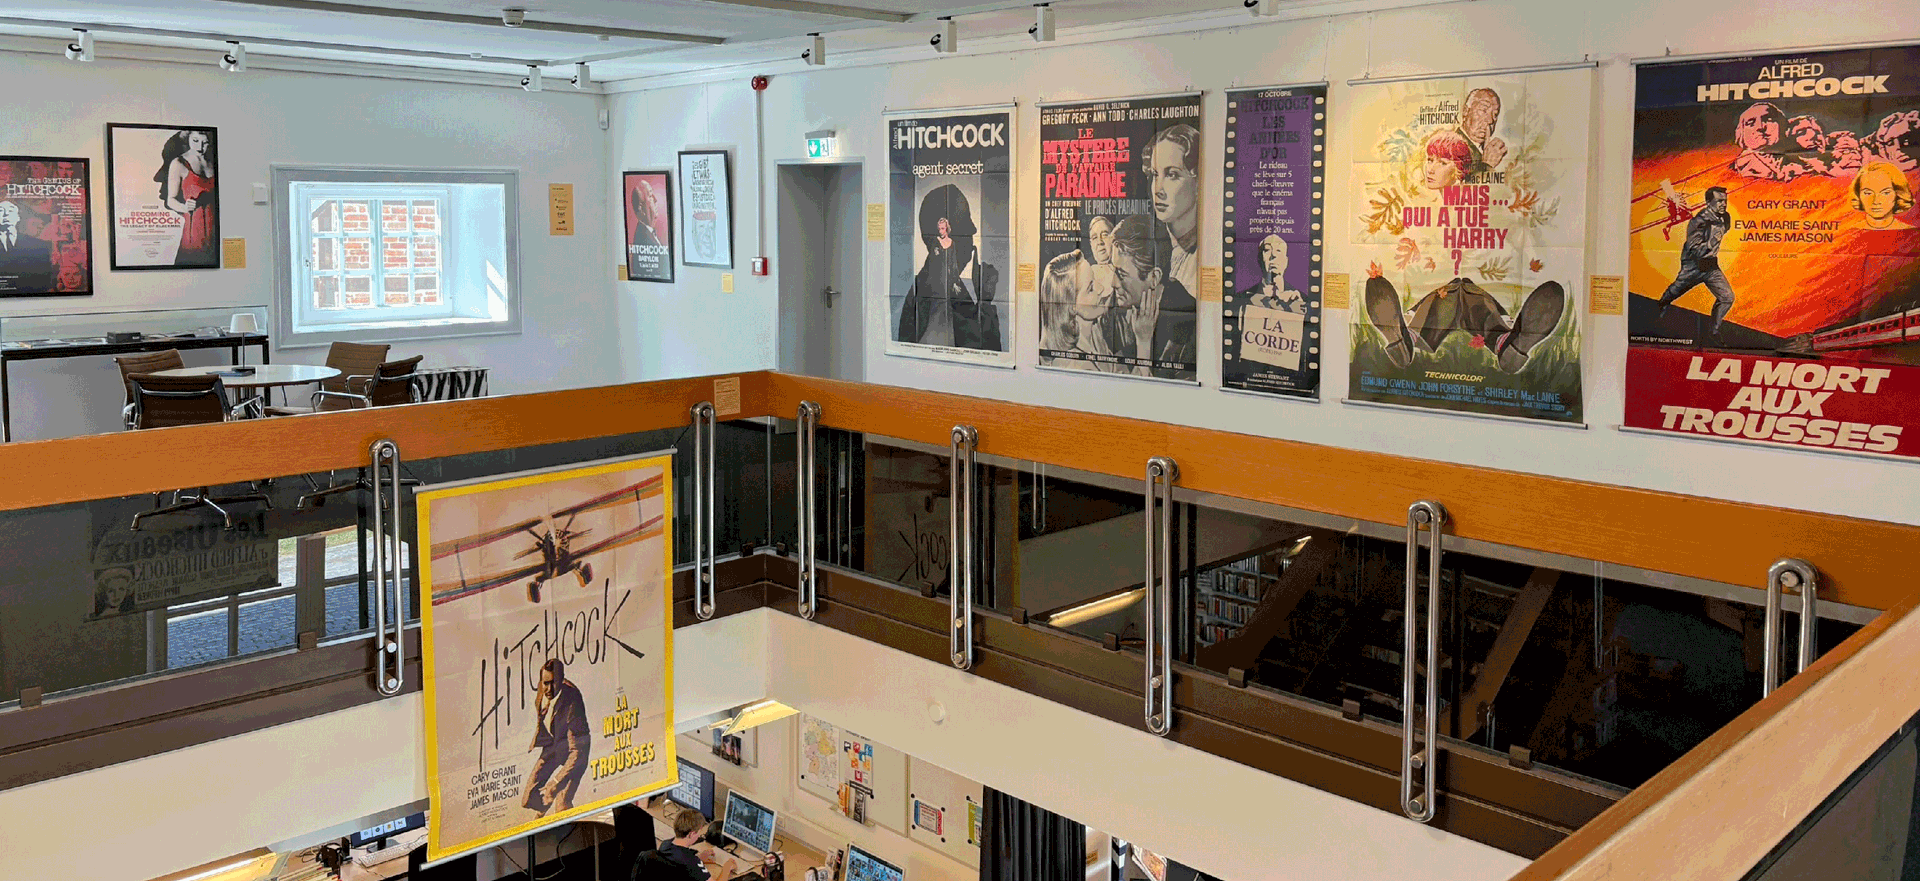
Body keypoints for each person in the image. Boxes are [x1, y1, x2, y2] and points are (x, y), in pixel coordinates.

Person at [1362, 271, 1565, 373]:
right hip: (1475, 297)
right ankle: (1506, 343)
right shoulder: (1480, 294)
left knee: (1430, 314)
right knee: (1488, 318)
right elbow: (1498, 313)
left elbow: (1420, 309)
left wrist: (1412, 317)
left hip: (1443, 296)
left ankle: (1407, 338)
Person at [895, 184, 1002, 352]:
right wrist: (985, 303)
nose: (973, 229)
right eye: (966, 223)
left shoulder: (938, 284)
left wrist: (984, 300)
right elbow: (983, 353)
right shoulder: (940, 290)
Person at [1108, 215, 1195, 380]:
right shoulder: (1117, 310)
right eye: (1114, 271)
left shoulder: (1187, 325)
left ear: (1154, 278)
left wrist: (1143, 342)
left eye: (1122, 274)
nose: (1113, 283)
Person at [1654, 185, 1737, 338]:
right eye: (1719, 201)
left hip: (1711, 266)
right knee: (1675, 290)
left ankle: (1714, 331)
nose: (1723, 204)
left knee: (1727, 297)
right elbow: (1695, 250)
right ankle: (1660, 306)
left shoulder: (1725, 217)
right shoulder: (1698, 222)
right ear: (1708, 203)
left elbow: (1725, 228)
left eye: (1725, 201)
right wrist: (1711, 242)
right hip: (1693, 266)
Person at [523, 658, 590, 817]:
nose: (548, 689)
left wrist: (556, 783)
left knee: (562, 804)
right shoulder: (543, 689)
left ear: (562, 679)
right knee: (528, 799)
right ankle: (544, 808)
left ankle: (562, 823)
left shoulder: (573, 699)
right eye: (545, 683)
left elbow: (577, 750)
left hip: (576, 752)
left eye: (553, 683)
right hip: (555, 745)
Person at [1142, 125, 1200, 295]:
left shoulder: (1204, 254)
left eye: (1171, 175)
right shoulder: (1151, 247)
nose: (1157, 190)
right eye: (1155, 174)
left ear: (1198, 182)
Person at [157, 130, 217, 266]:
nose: (200, 147)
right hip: (194, 232)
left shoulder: (214, 161)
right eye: (195, 141)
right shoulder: (178, 163)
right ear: (187, 138)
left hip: (215, 232)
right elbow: (170, 200)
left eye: (205, 143)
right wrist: (184, 207)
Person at [633, 809, 716, 881]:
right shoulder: (692, 863)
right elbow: (688, 864)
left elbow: (679, 861)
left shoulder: (665, 845)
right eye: (699, 833)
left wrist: (699, 859)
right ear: (691, 834)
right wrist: (725, 867)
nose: (699, 836)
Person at [1235, 235, 1305, 313]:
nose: (1273, 255)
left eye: (1278, 250)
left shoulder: (1303, 299)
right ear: (1259, 259)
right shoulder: (1240, 299)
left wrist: (1300, 310)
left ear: (1286, 262)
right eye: (1267, 250)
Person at [0, 200, 54, 293]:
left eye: (11, 211)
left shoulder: (40, 246)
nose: (6, 214)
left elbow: (44, 281)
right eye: (1, 211)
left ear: (18, 217)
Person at [1456, 88, 1508, 177]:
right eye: (1484, 110)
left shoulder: (1484, 150)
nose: (1490, 120)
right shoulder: (1453, 146)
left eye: (1495, 114)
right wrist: (1487, 165)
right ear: (1465, 111)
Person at [1852, 158, 1915, 230]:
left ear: (1898, 194)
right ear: (1858, 194)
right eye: (1868, 193)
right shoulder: (1849, 232)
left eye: (1885, 193)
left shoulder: (1912, 231)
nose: (1876, 201)